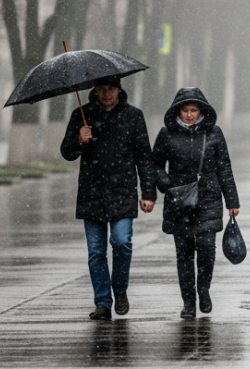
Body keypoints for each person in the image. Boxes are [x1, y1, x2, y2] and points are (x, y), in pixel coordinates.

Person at [60, 76, 157, 321]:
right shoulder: (81, 115)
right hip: (92, 192)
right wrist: (79, 140)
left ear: (119, 89)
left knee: (122, 242)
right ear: (95, 90)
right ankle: (103, 302)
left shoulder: (133, 116)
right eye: (102, 89)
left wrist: (148, 192)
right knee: (96, 252)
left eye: (111, 89)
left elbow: (144, 157)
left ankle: (120, 288)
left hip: (122, 191)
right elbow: (67, 152)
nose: (106, 94)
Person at [150, 87, 240, 319]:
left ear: (201, 110)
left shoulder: (213, 133)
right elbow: (155, 165)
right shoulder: (167, 134)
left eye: (193, 109)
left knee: (207, 249)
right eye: (185, 110)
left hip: (208, 198)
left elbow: (224, 168)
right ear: (177, 111)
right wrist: (168, 185)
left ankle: (204, 289)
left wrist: (232, 200)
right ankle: (188, 302)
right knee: (184, 254)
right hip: (179, 200)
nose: (189, 114)